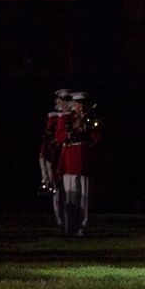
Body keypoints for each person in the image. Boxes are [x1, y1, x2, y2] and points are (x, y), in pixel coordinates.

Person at [55, 92, 100, 236]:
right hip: (70, 160)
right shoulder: (66, 118)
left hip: (85, 161)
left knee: (84, 198)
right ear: (74, 104)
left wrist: (87, 127)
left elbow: (96, 138)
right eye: (78, 103)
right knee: (71, 197)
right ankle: (70, 228)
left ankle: (82, 229)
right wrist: (73, 128)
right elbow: (59, 137)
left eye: (83, 103)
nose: (80, 106)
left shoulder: (90, 118)